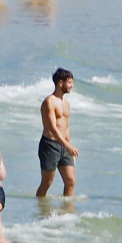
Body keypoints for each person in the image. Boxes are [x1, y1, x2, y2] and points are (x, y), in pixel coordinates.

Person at [36, 68, 78, 197]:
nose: (72, 86)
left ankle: (68, 212)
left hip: (64, 146)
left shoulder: (66, 103)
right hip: (50, 145)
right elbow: (53, 128)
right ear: (60, 83)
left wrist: (69, 147)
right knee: (47, 182)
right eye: (69, 82)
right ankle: (41, 209)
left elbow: (66, 127)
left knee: (70, 181)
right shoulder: (49, 102)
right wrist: (68, 146)